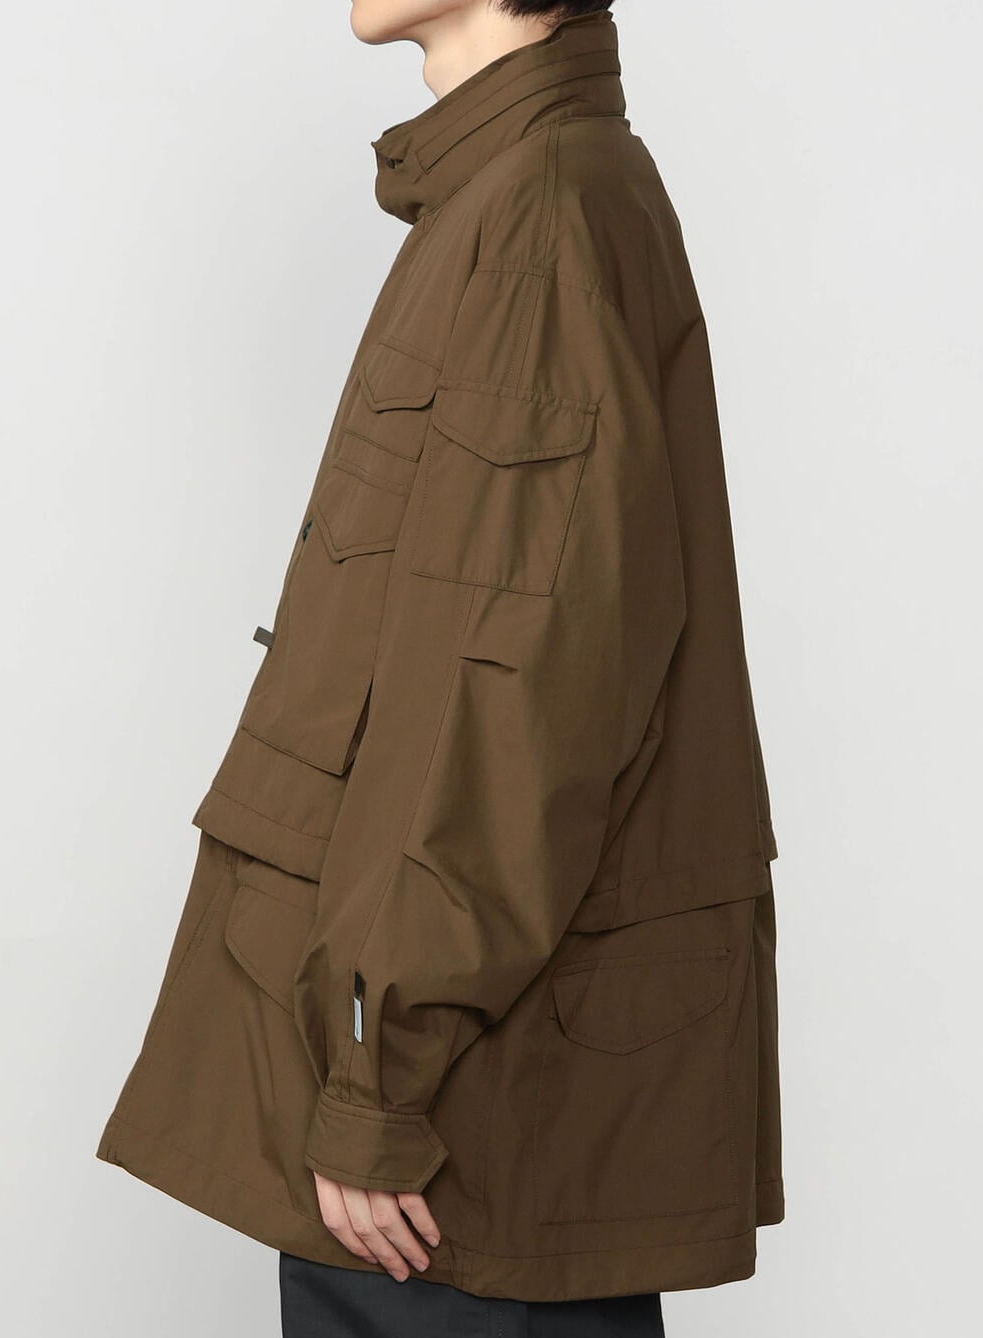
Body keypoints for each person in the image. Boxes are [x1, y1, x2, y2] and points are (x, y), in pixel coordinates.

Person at [95, 3, 784, 1334]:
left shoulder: (539, 217)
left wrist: (373, 1072)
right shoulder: (520, 193)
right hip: (462, 1105)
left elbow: (507, 698)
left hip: (451, 1133)